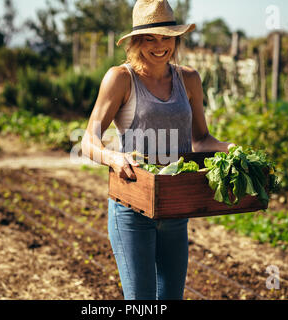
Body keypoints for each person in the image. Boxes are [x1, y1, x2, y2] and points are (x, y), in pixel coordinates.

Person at [81, 0, 235, 300]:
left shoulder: (188, 79)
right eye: (150, 38)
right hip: (132, 208)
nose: (160, 45)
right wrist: (112, 157)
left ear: (176, 38)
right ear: (136, 41)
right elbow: (89, 139)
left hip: (175, 207)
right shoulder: (121, 78)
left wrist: (232, 149)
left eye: (166, 36)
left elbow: (201, 139)